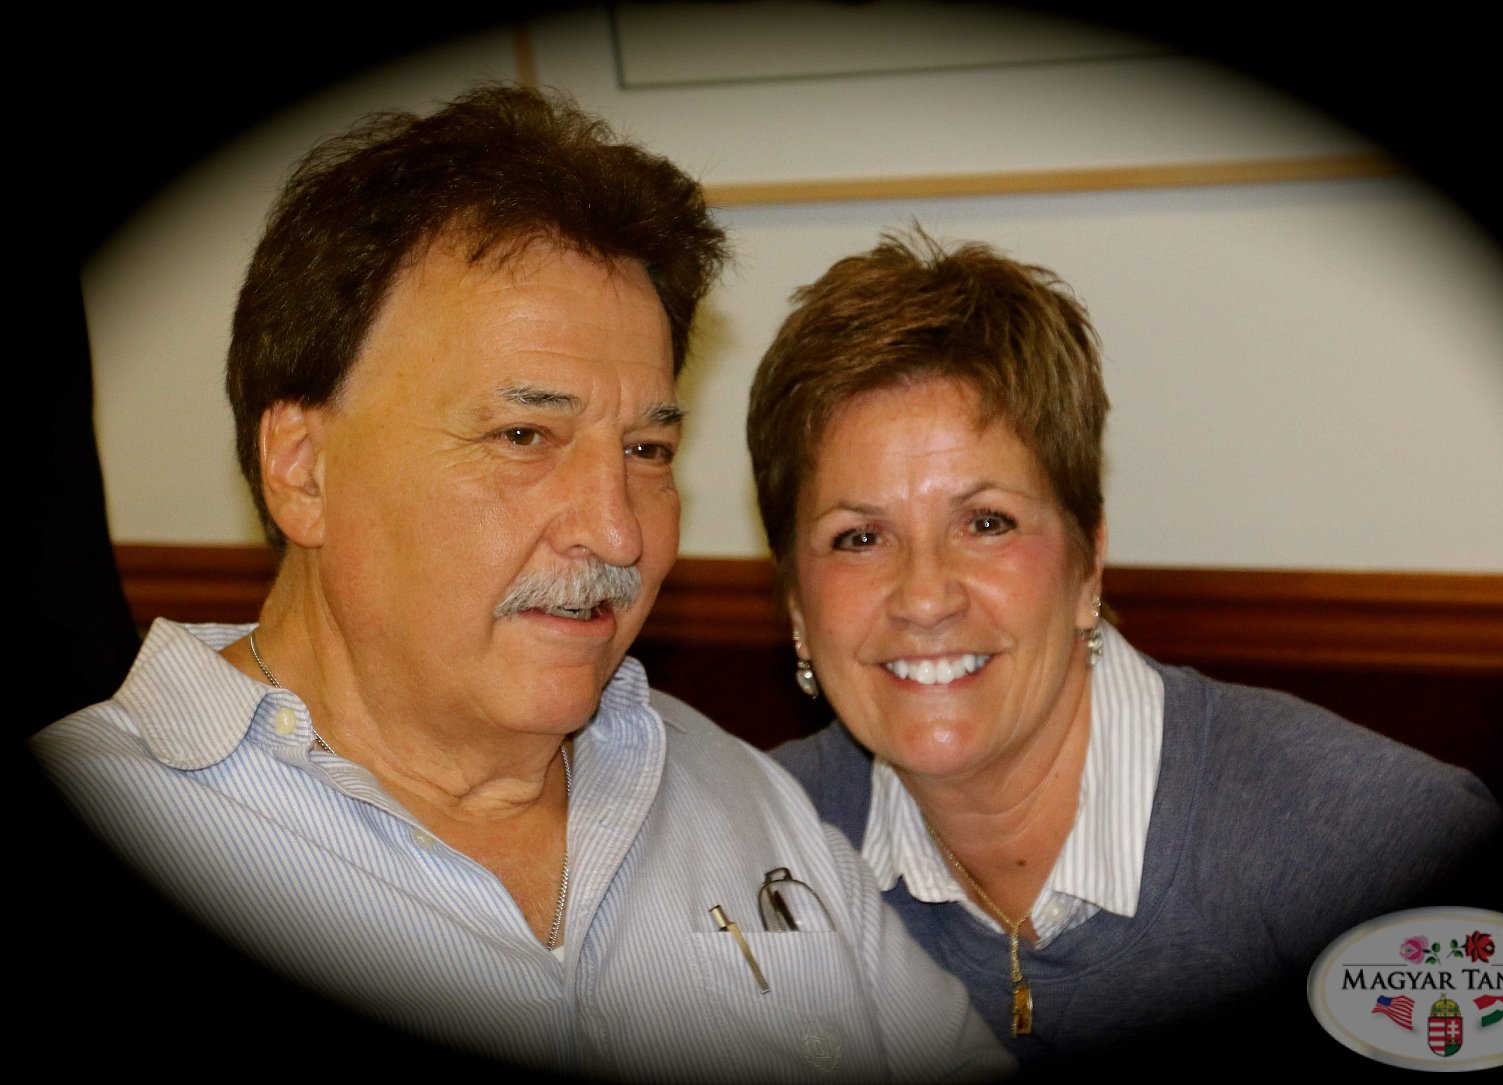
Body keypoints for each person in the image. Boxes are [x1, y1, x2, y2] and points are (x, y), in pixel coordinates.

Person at [29, 88, 1011, 1083]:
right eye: (524, 435)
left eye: (646, 448)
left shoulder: (736, 792)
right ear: (302, 469)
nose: (617, 529)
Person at [750, 230, 1503, 1064]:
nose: (925, 596)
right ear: (796, 602)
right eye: (859, 537)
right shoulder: (748, 841)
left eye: (987, 522)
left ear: (1088, 562)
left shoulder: (1379, 845)